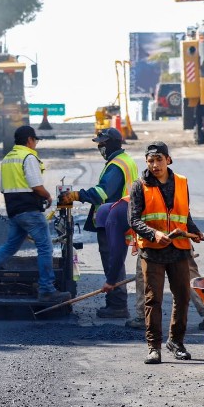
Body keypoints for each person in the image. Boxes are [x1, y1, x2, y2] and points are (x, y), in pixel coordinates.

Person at [0, 125, 70, 303]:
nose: (35, 143)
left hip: (14, 211)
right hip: (30, 211)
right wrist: (48, 196)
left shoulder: (8, 158)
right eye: (35, 140)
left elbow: (3, 188)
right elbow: (36, 185)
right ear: (29, 140)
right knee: (45, 247)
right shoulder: (28, 157)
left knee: (10, 247)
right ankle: (46, 290)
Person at [129, 141, 204, 364]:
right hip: (152, 252)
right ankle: (154, 347)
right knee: (153, 300)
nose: (155, 165)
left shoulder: (181, 182)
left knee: (182, 298)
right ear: (146, 162)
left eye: (159, 159)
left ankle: (176, 342)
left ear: (168, 160)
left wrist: (194, 230)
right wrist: (153, 234)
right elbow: (133, 220)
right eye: (150, 160)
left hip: (179, 250)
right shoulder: (139, 186)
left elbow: (185, 214)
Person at [58, 128, 137, 319]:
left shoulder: (116, 165)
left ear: (110, 144)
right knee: (115, 262)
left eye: (102, 144)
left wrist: (77, 195)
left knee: (113, 263)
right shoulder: (123, 161)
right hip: (119, 218)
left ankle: (117, 306)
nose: (100, 147)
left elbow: (101, 193)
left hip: (113, 222)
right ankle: (115, 304)